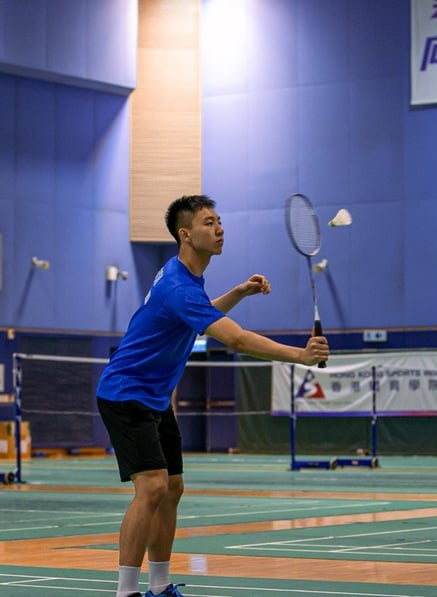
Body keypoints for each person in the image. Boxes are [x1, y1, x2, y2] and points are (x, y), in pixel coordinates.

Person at [96, 195, 329, 597]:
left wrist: (237, 292)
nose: (219, 228)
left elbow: (200, 315)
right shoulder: (177, 286)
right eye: (208, 222)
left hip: (154, 397)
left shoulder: (185, 280)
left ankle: (159, 585)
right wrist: (300, 356)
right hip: (125, 393)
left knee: (172, 488)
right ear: (185, 234)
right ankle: (125, 592)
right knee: (151, 488)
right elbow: (235, 338)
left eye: (219, 221)